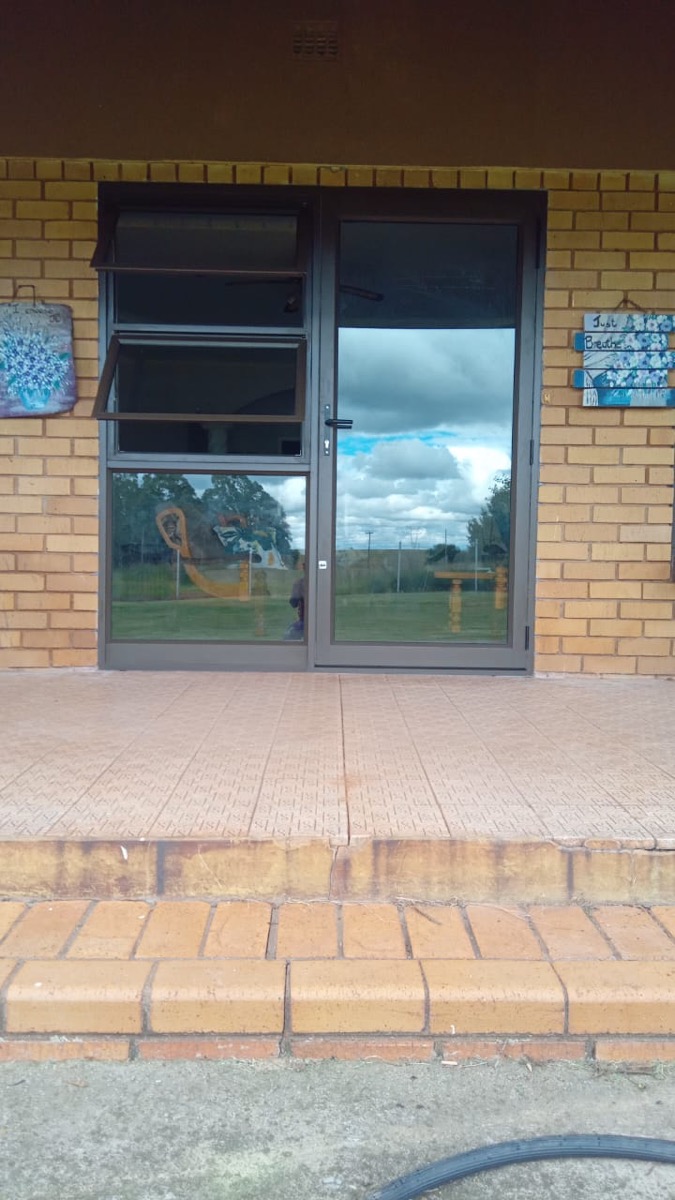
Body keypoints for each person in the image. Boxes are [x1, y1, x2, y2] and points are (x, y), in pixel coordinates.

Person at [283, 572, 304, 640]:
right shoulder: (301, 582)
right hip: (304, 621)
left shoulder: (300, 583)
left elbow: (293, 603)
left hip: (304, 622)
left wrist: (296, 589)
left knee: (288, 635)